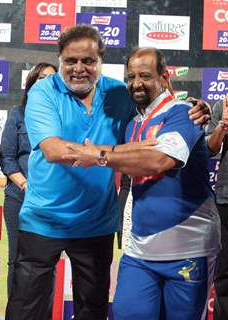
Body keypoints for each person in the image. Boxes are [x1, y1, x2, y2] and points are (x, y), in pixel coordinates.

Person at [5, 24, 212, 320]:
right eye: (70, 61)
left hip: (96, 222)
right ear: (60, 59)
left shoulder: (119, 91)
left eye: (88, 61)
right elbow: (52, 150)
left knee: (93, 310)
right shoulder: (43, 91)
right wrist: (97, 154)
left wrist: (191, 106)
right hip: (43, 220)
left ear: (100, 61)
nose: (79, 68)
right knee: (26, 309)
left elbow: (155, 108)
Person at [62, 47, 221, 320]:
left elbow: (158, 161)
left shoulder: (185, 112)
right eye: (131, 76)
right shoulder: (134, 123)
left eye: (145, 76)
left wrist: (97, 155)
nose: (136, 83)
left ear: (164, 77)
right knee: (127, 313)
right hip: (141, 250)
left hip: (188, 247)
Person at [0, 62, 57, 297]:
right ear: (31, 83)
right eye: (42, 77)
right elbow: (7, 159)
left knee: (46, 264)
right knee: (17, 261)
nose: (47, 82)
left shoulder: (61, 118)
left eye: (52, 78)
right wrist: (25, 184)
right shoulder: (17, 114)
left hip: (52, 203)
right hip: (19, 199)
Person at [206, 96, 228, 320]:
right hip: (225, 199)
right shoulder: (223, 105)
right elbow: (210, 149)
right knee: (223, 278)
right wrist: (222, 126)